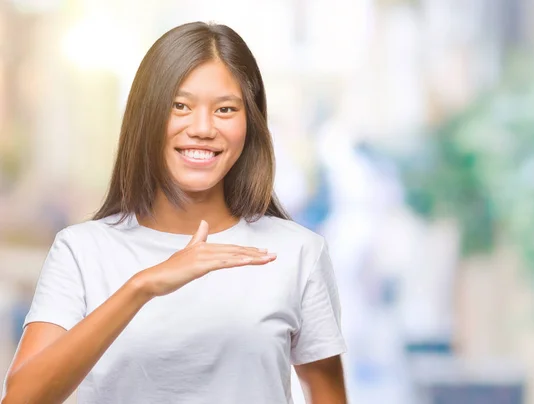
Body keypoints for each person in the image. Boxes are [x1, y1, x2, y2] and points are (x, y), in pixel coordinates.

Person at [1, 22, 347, 404]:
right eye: (180, 106)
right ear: (146, 116)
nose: (202, 128)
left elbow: (328, 394)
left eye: (225, 109)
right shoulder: (81, 250)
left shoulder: (297, 252)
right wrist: (142, 287)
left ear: (250, 123)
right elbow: (22, 398)